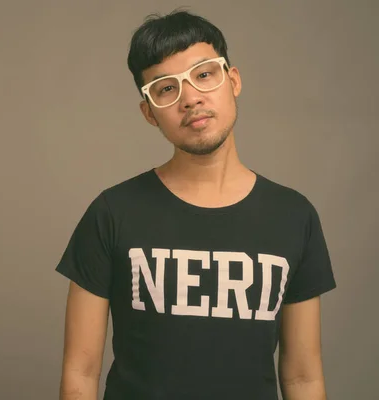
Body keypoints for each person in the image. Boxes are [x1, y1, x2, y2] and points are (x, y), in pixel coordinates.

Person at [55, 9, 336, 400]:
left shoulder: (294, 216)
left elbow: (303, 377)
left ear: (232, 80)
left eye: (204, 74)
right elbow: (80, 375)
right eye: (166, 88)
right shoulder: (112, 213)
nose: (190, 98)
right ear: (149, 112)